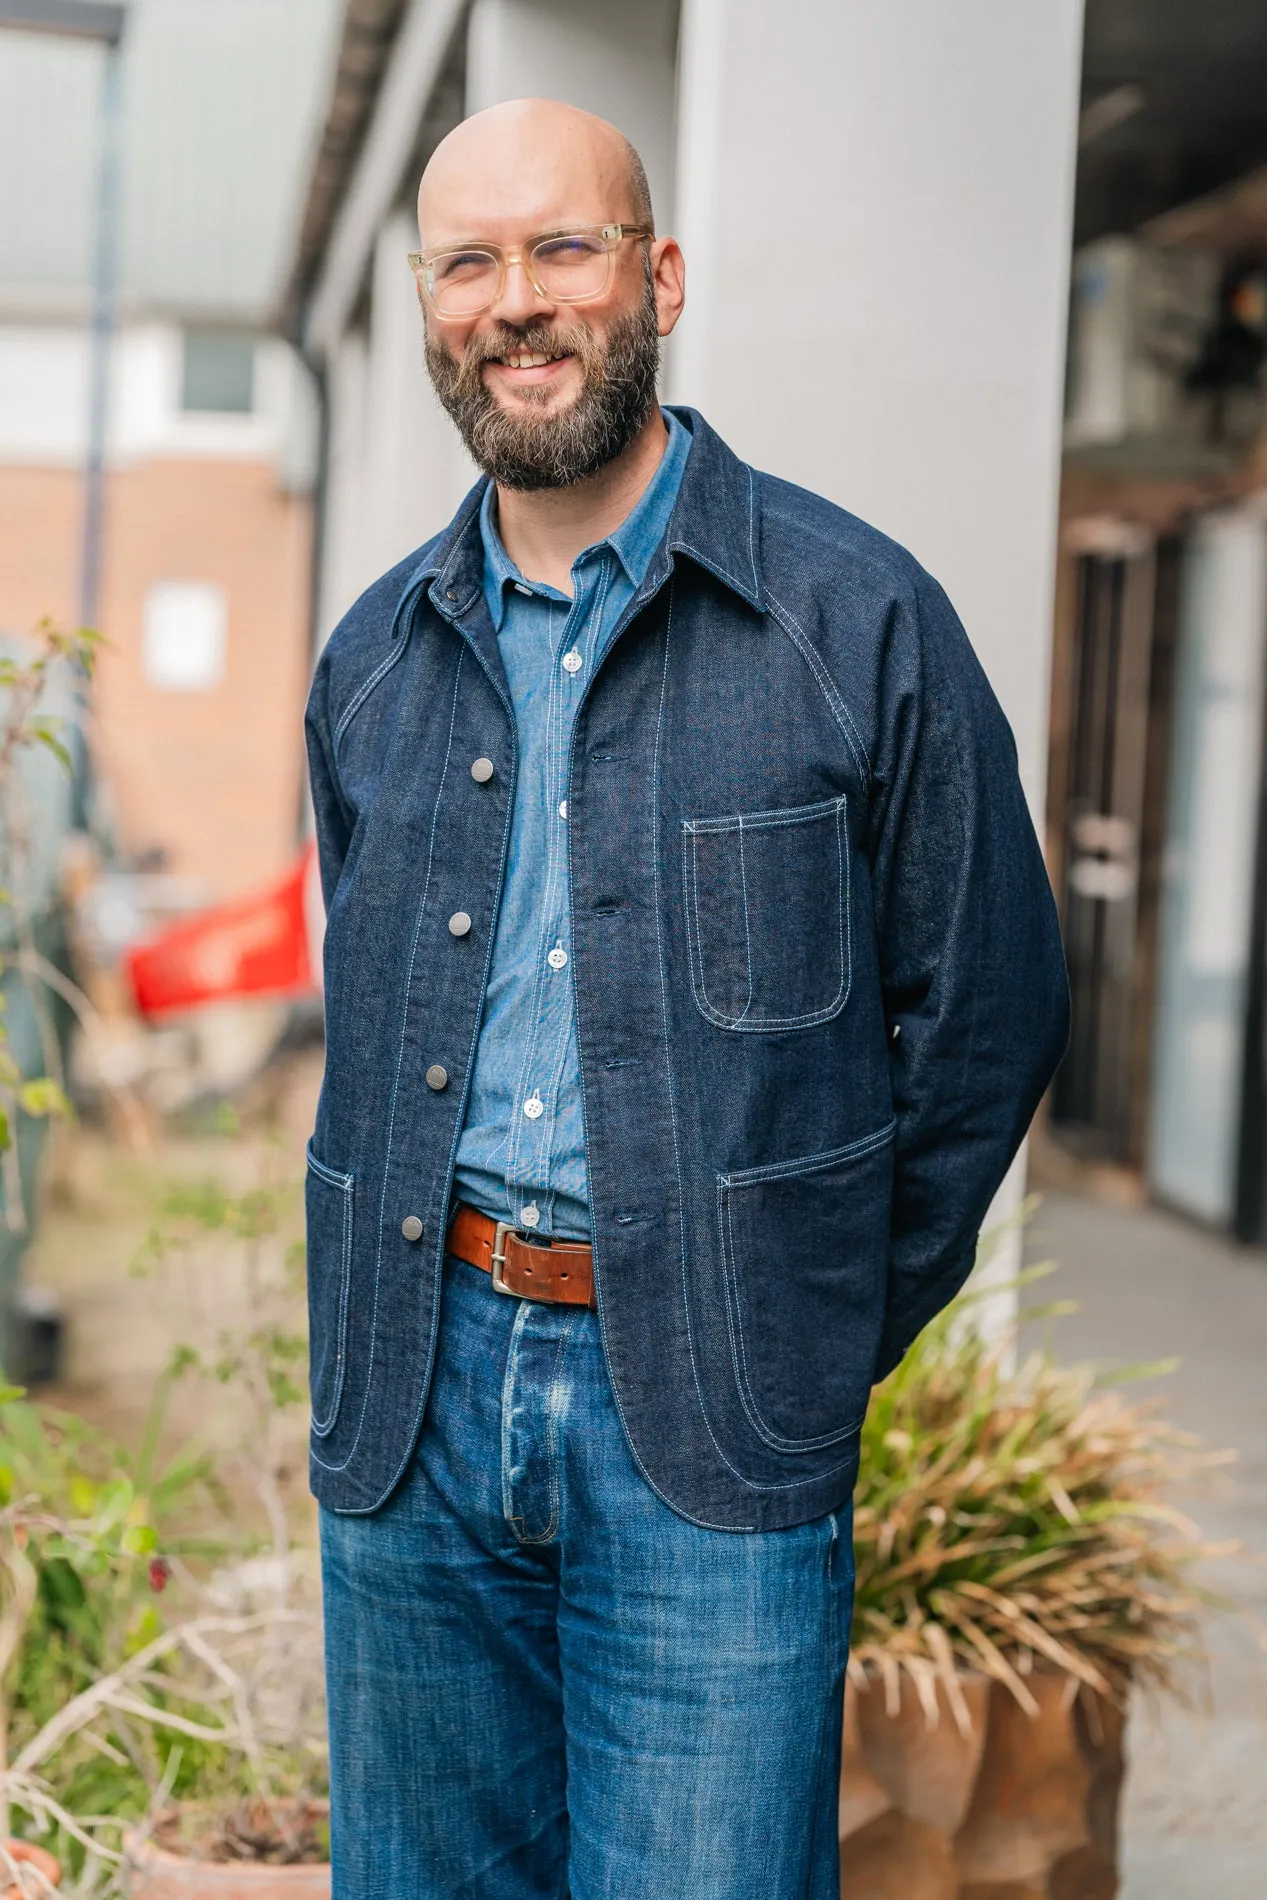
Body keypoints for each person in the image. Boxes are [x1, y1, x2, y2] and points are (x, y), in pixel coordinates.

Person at [305, 95, 1068, 1900]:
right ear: (428, 307)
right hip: (412, 1400)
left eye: (561, 249)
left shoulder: (856, 617)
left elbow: (985, 1020)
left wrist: (797, 1325)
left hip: (715, 1429)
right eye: (468, 262)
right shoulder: (371, 662)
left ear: (655, 277)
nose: (516, 302)